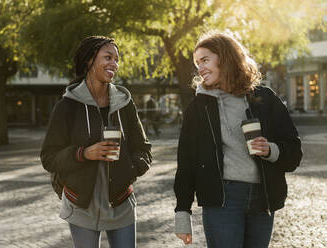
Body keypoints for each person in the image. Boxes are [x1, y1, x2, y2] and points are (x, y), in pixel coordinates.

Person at [173, 31, 302, 247]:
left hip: (263, 198)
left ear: (225, 57)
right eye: (197, 63)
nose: (200, 68)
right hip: (222, 199)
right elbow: (186, 162)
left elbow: (294, 152)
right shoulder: (198, 107)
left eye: (205, 60)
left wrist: (270, 150)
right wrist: (182, 212)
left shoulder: (264, 98)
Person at [40, 36, 152, 248]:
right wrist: (84, 153)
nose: (114, 64)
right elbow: (49, 157)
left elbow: (144, 149)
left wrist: (130, 169)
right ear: (89, 60)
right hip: (81, 205)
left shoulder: (125, 104)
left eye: (116, 59)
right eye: (107, 57)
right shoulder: (67, 106)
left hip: (121, 204)